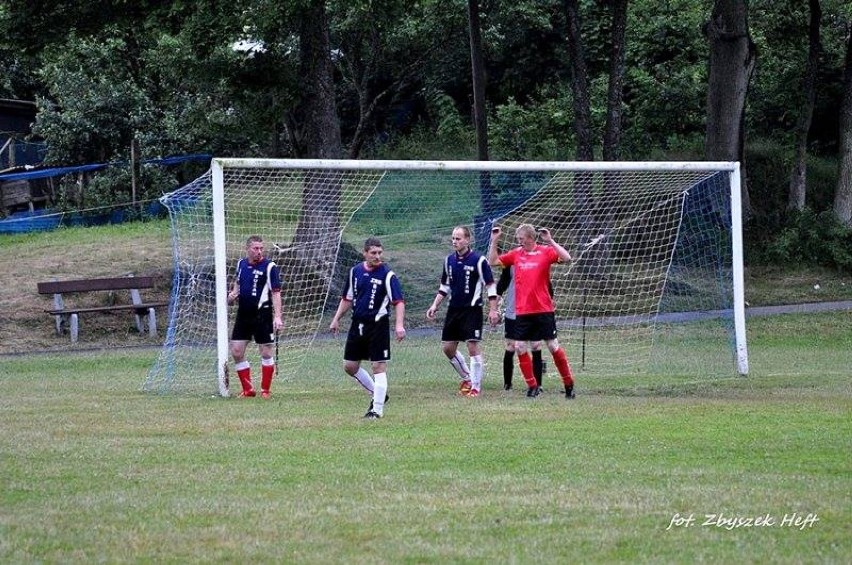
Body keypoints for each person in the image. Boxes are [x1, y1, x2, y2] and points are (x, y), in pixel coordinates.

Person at [488, 224, 576, 399]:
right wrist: (494, 241)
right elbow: (493, 262)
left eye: (521, 238)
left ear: (530, 237)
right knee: (520, 346)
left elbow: (566, 258)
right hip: (523, 311)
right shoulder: (516, 254)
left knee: (552, 346)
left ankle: (568, 384)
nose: (518, 241)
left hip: (543, 309)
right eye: (518, 239)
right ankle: (532, 386)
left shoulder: (545, 252)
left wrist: (550, 240)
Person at [329, 237, 406, 419]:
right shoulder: (355, 272)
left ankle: (376, 410)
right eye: (373, 253)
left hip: (378, 325)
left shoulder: (388, 275)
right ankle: (379, 393)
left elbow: (399, 302)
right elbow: (347, 298)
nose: (377, 256)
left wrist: (399, 325)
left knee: (378, 366)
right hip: (358, 325)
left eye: (380, 253)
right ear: (365, 253)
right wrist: (336, 319)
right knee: (349, 366)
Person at [426, 226, 500, 397]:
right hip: (454, 310)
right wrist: (434, 305)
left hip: (472, 310)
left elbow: (490, 285)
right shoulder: (449, 261)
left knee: (472, 346)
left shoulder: (478, 261)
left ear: (468, 240)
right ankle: (467, 377)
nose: (455, 241)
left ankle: (475, 387)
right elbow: (444, 287)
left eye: (458, 238)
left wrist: (493, 310)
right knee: (448, 348)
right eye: (453, 238)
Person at [228, 235, 284, 398]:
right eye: (256, 248)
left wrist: (278, 316)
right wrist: (232, 296)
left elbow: (276, 293)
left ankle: (265, 390)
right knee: (236, 351)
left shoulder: (270, 266)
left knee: (266, 352)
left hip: (263, 316)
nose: (259, 251)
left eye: (261, 248)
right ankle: (248, 390)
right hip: (243, 315)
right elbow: (237, 286)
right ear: (248, 249)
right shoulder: (241, 264)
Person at [496, 266, 545, 391]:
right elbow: (503, 282)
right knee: (511, 346)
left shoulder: (539, 259)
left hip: (534, 311)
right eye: (521, 243)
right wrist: (495, 305)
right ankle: (507, 385)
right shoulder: (511, 261)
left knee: (535, 345)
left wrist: (550, 299)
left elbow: (545, 281)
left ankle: (538, 385)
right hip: (513, 312)